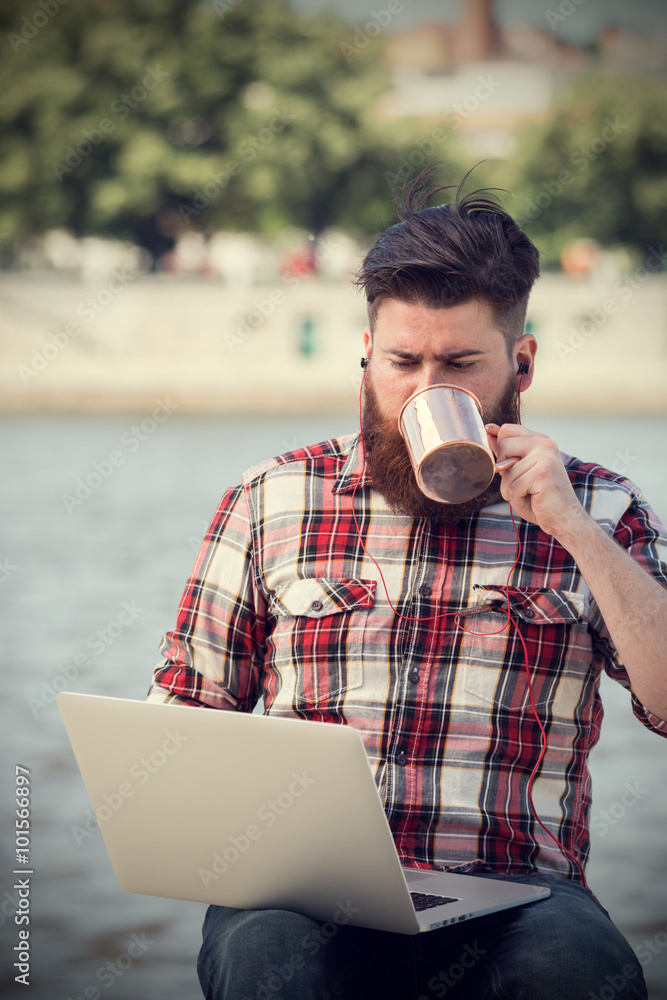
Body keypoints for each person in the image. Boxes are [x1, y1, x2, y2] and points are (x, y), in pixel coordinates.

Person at [147, 174, 667, 999]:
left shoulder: (600, 508)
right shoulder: (271, 497)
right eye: (401, 363)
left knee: (574, 970)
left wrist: (574, 531)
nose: (425, 391)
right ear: (364, 357)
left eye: (459, 364)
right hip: (300, 895)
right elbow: (183, 720)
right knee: (263, 959)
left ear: (520, 363)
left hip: (519, 895)